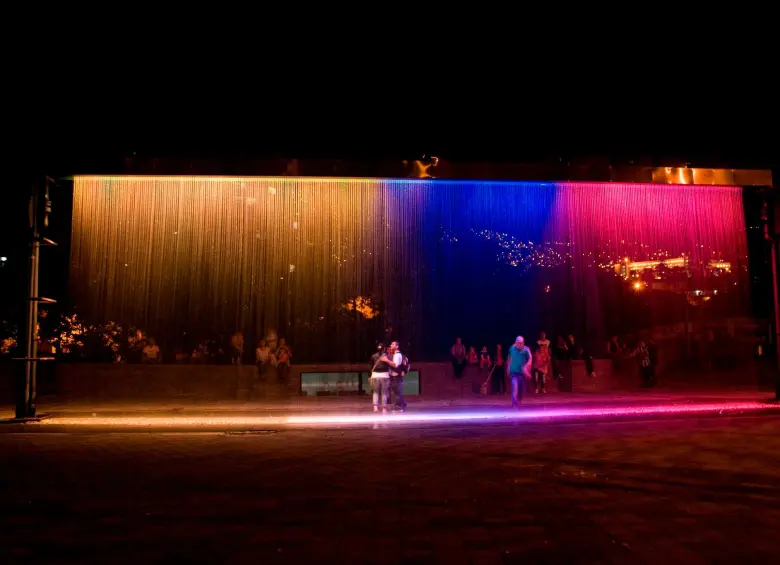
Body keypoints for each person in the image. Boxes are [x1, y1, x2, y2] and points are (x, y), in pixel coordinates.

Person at [506, 336, 532, 408]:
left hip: (522, 374)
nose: (520, 345)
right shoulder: (511, 348)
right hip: (514, 373)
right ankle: (514, 404)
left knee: (521, 390)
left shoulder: (526, 350)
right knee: (515, 389)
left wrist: (526, 368)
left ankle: (519, 400)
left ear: (523, 343)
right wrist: (508, 367)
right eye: (518, 343)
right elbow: (509, 358)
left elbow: (530, 360)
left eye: (521, 343)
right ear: (515, 342)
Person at [370, 344, 395, 414]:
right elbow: (391, 366)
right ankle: (384, 408)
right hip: (385, 375)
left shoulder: (373, 356)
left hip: (375, 375)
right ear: (384, 349)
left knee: (375, 392)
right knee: (384, 392)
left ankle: (375, 408)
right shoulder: (388, 356)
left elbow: (371, 366)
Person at [389, 341, 408, 413]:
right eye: (391, 344)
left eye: (393, 344)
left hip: (396, 376)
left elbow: (395, 365)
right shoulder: (398, 355)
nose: (391, 345)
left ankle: (400, 406)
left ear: (397, 347)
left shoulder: (397, 355)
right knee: (396, 391)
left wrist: (387, 360)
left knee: (397, 392)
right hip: (396, 376)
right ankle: (402, 405)